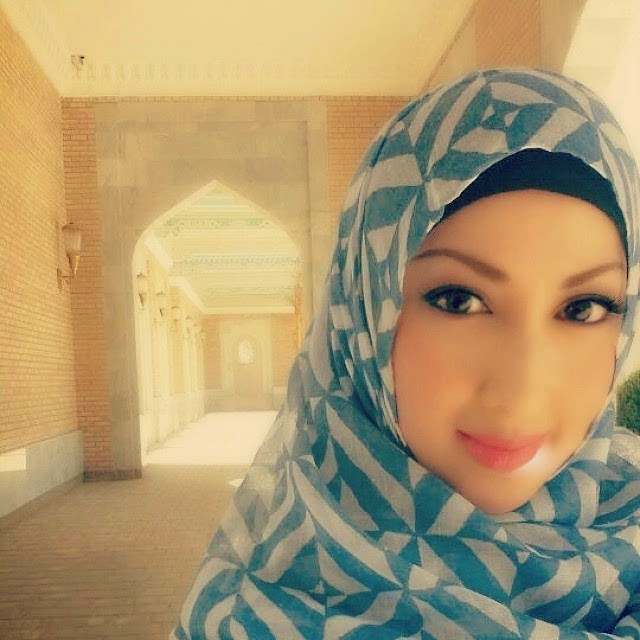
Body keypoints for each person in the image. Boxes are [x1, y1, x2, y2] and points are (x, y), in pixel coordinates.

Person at [170, 68, 640, 639]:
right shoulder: (249, 616)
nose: (522, 388)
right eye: (459, 300)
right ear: (364, 315)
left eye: (584, 308)